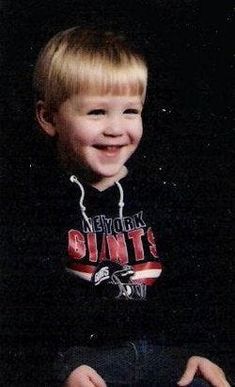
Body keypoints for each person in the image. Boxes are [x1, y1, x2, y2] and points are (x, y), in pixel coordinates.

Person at [4, 27, 230, 386]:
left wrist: (207, 352)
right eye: (96, 112)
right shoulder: (34, 204)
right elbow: (23, 312)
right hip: (87, 362)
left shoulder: (166, 195)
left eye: (129, 111)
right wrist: (64, 367)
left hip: (167, 356)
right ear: (48, 118)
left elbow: (198, 288)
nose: (115, 129)